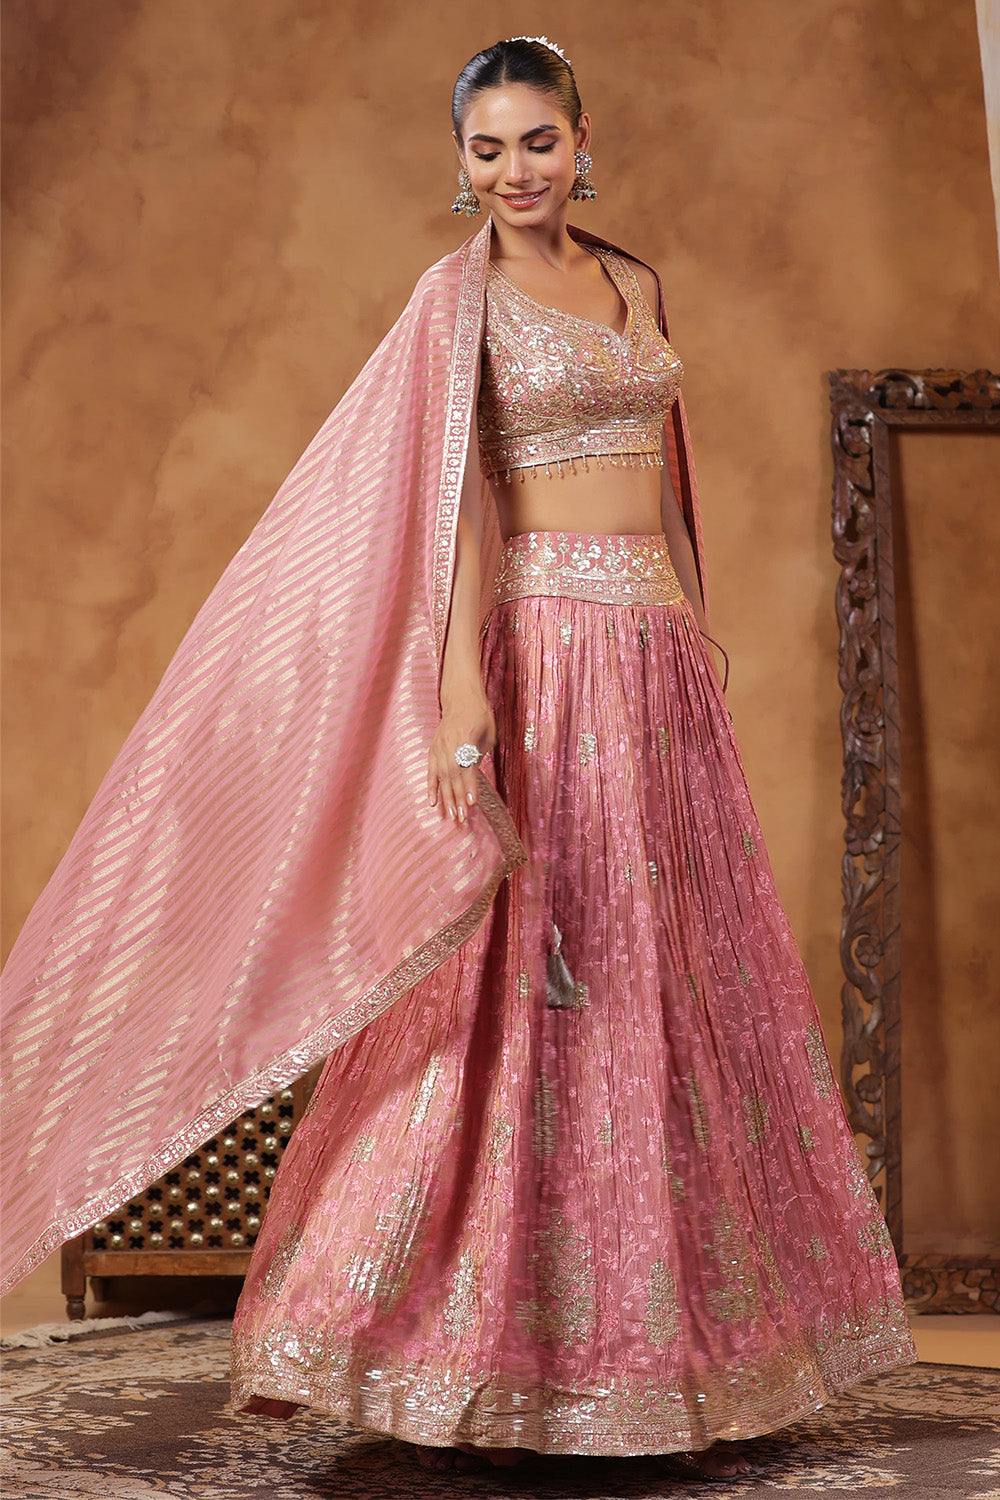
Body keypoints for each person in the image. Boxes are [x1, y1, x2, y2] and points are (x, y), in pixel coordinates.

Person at [0, 35, 915, 1485]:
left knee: (667, 977)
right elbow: (462, 502)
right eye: (486, 150)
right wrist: (452, 689)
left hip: (657, 665)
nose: (513, 172)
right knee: (537, 980)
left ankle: (667, 1352)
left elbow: (669, 477)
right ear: (461, 162)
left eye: (537, 142)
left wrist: (699, 626)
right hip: (542, 656)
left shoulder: (636, 283)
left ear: (582, 139)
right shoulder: (457, 300)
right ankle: (467, 1345)